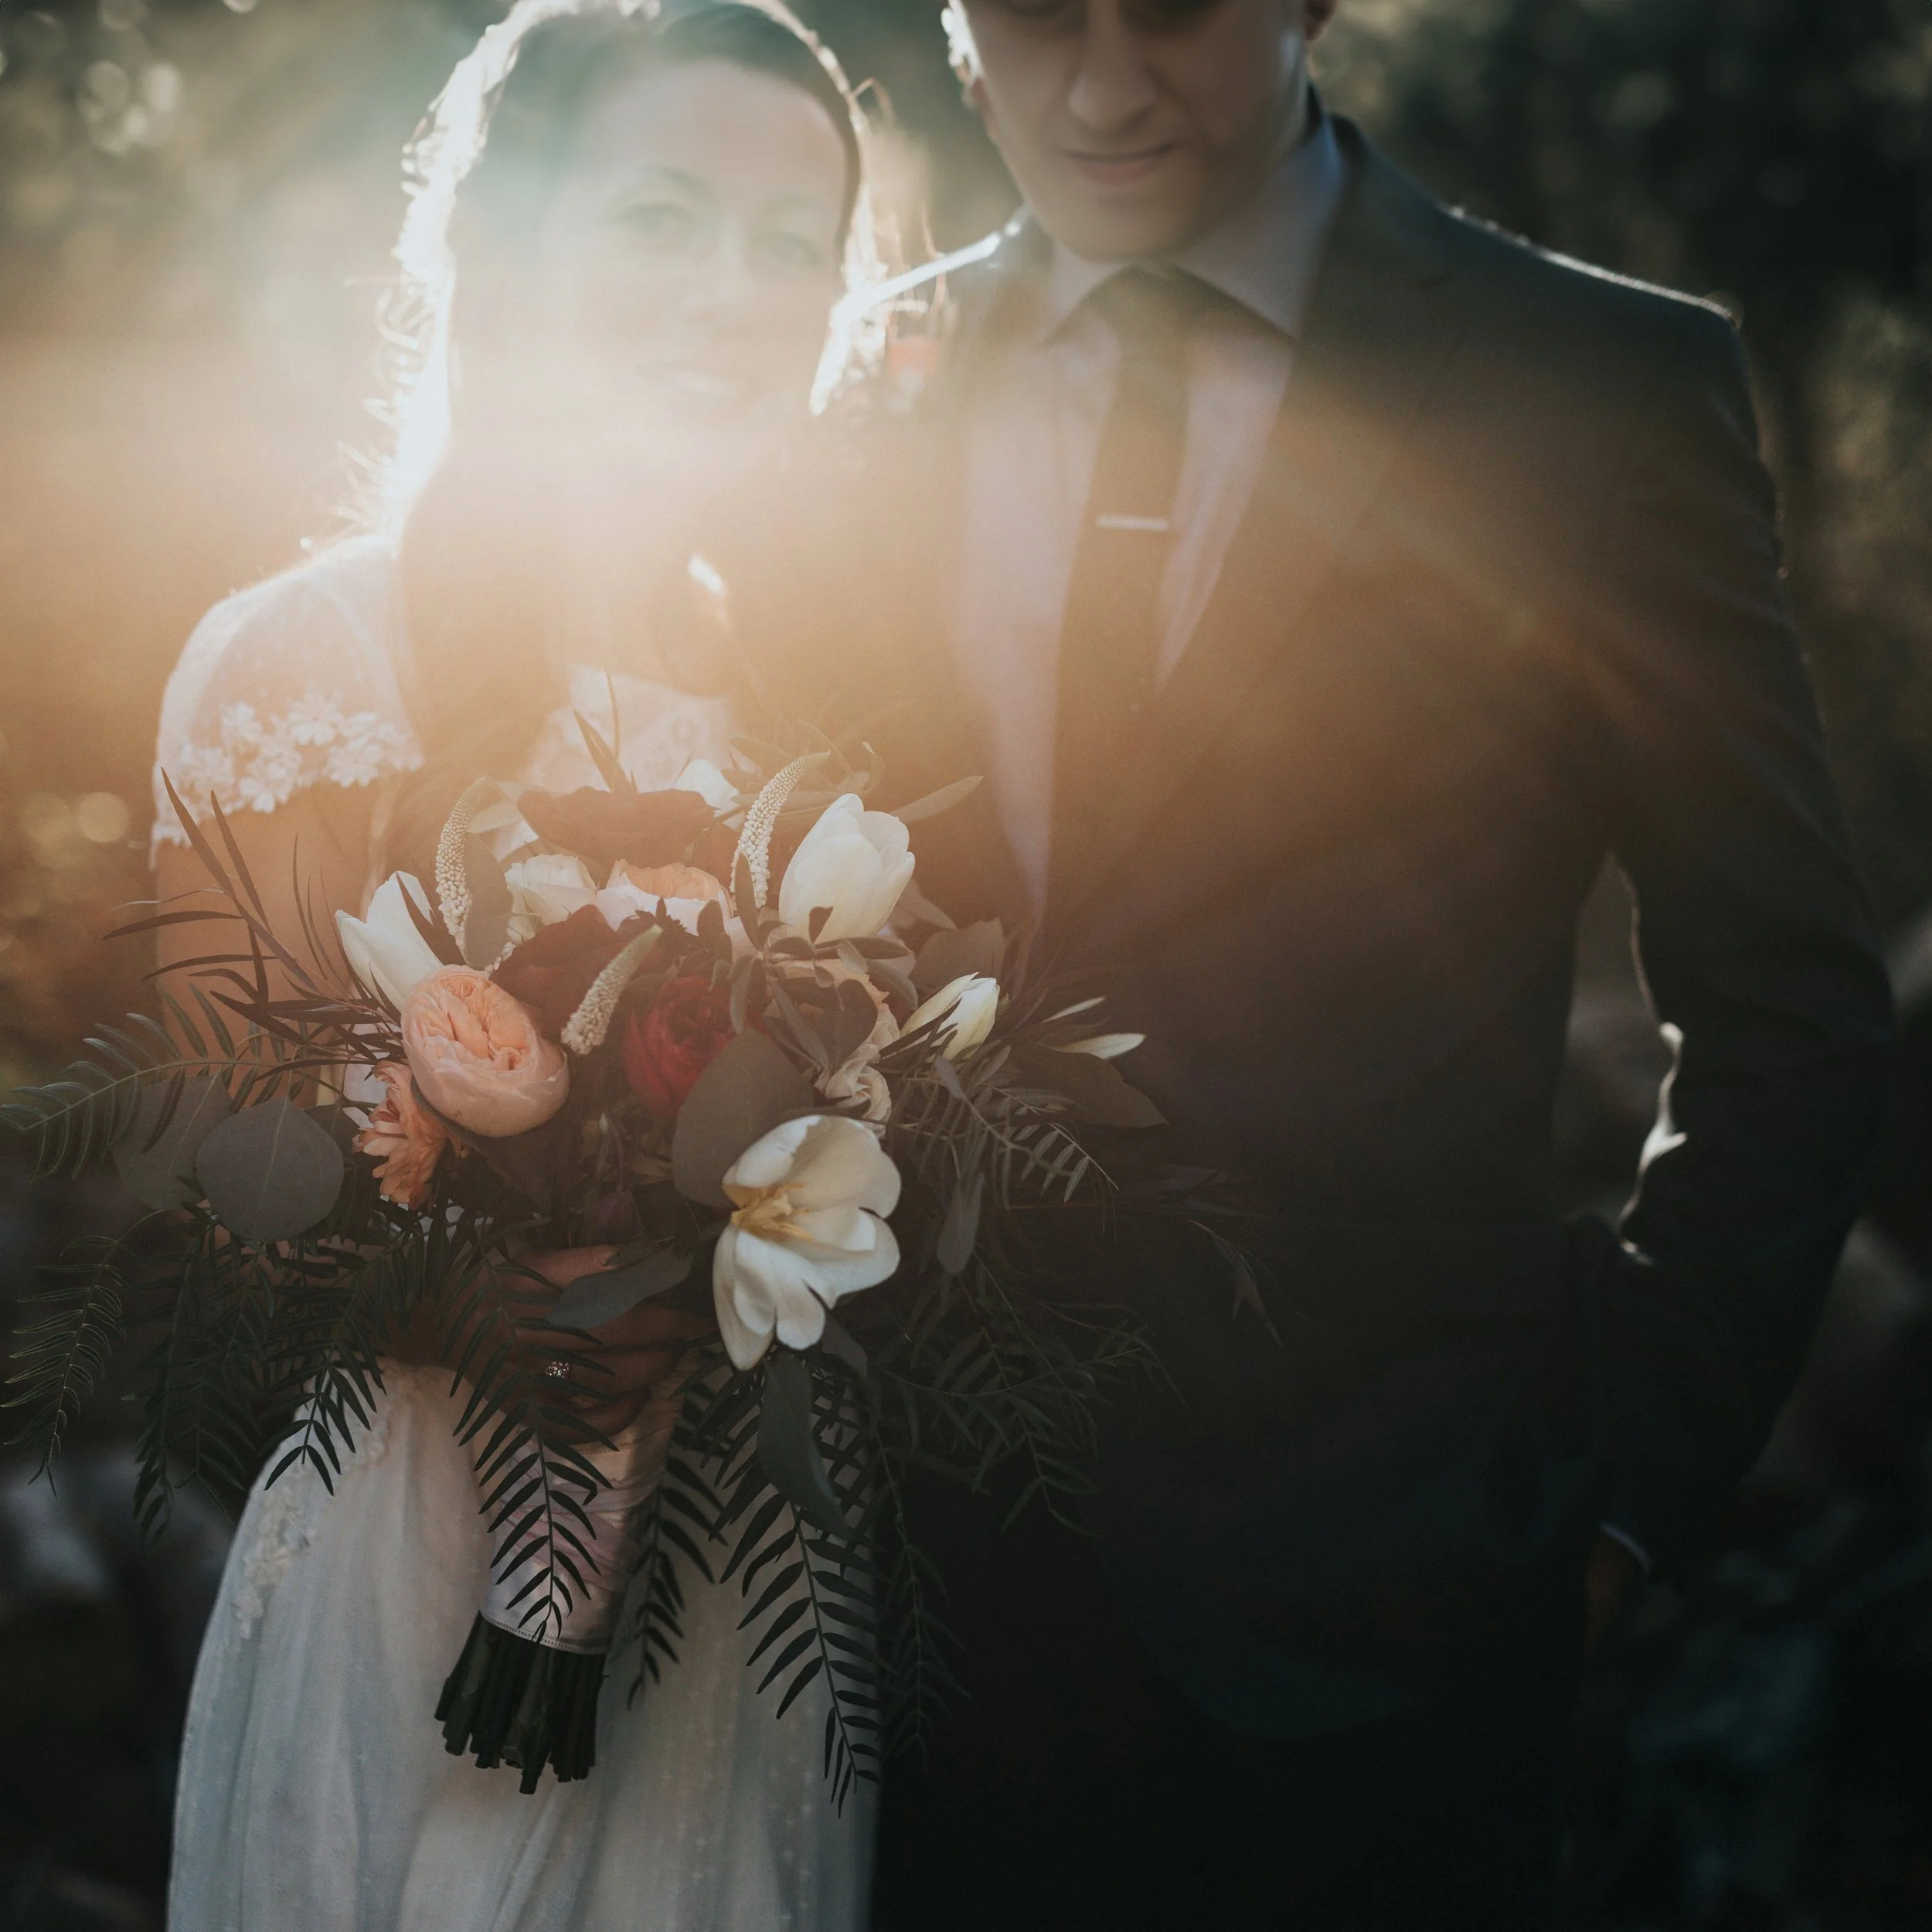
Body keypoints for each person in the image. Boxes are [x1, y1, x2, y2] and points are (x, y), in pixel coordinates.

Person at [863, 2, 1898, 1927]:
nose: (1097, 89)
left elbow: (1790, 1008)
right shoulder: (850, 380)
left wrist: (1601, 1494)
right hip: (900, 1613)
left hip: (1394, 1628)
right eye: (1029, 15)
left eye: (1169, 8)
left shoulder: (1589, 388)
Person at [152, 4, 885, 1927]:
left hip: (746, 1610)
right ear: (506, 243)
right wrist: (500, 1290)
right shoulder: (303, 667)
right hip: (412, 1570)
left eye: (786, 243)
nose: (730, 289)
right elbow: (219, 1181)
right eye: (660, 216)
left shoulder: (822, 728)